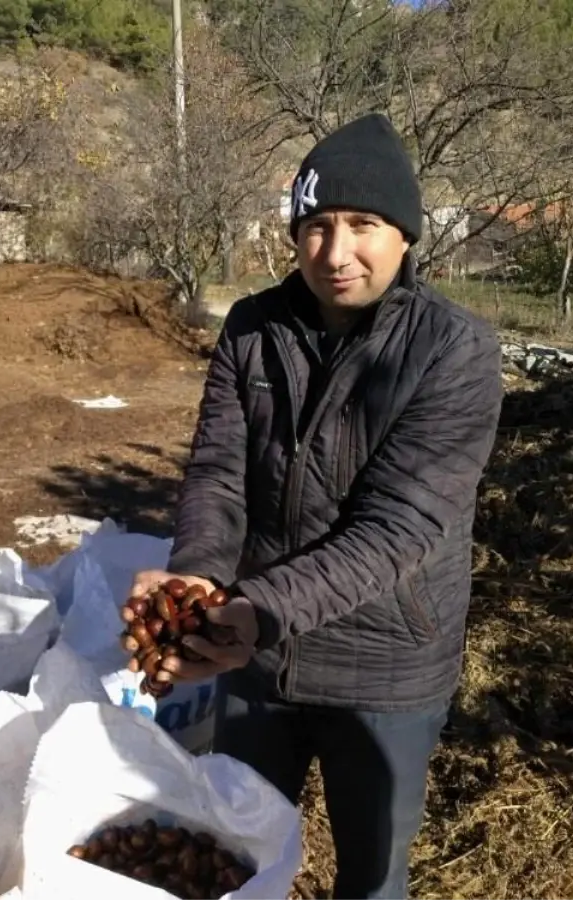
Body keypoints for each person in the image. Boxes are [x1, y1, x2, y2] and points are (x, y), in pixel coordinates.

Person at [126, 113, 504, 900]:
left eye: (363, 225)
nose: (335, 254)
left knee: (371, 879)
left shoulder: (454, 350)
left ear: (405, 235)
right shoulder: (253, 328)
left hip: (386, 666)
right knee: (233, 859)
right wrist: (195, 578)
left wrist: (259, 608)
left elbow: (398, 527)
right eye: (317, 226)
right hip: (258, 660)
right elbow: (219, 473)